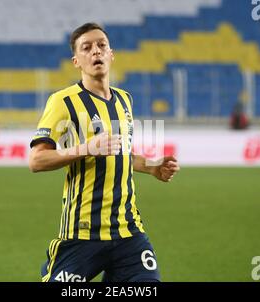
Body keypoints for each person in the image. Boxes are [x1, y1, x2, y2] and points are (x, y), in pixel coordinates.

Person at [29, 23, 180, 282]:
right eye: (86, 48)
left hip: (128, 231)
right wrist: (86, 148)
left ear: (111, 54)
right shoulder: (62, 101)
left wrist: (152, 166)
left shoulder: (125, 100)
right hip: (82, 233)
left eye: (101, 45)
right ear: (77, 61)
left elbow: (121, 155)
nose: (95, 51)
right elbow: (36, 160)